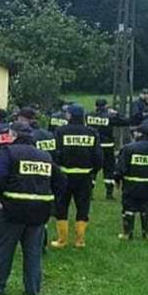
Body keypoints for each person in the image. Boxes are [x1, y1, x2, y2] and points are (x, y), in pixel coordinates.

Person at [0, 123, 66, 295]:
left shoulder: (8, 152)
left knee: (3, 251)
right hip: (39, 211)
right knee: (33, 253)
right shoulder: (44, 156)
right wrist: (50, 200)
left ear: (13, 135)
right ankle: (32, 290)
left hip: (12, 209)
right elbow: (60, 181)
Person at [51, 104, 102, 249]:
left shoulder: (61, 131)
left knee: (61, 206)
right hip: (84, 176)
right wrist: (93, 171)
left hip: (64, 175)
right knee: (83, 207)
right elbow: (98, 156)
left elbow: (56, 153)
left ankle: (62, 240)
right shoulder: (92, 132)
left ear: (70, 116)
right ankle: (80, 240)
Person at [114, 125, 148, 240]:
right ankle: (147, 234)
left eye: (136, 132)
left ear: (140, 134)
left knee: (129, 207)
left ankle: (127, 234)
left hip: (131, 184)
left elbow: (120, 168)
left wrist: (117, 180)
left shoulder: (128, 148)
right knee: (147, 207)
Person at [87, 98, 128, 199]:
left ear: (96, 106)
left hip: (93, 146)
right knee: (109, 170)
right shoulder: (110, 116)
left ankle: (90, 193)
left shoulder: (89, 115)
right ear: (105, 106)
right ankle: (109, 193)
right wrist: (116, 113)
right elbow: (125, 121)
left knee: (92, 170)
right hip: (107, 146)